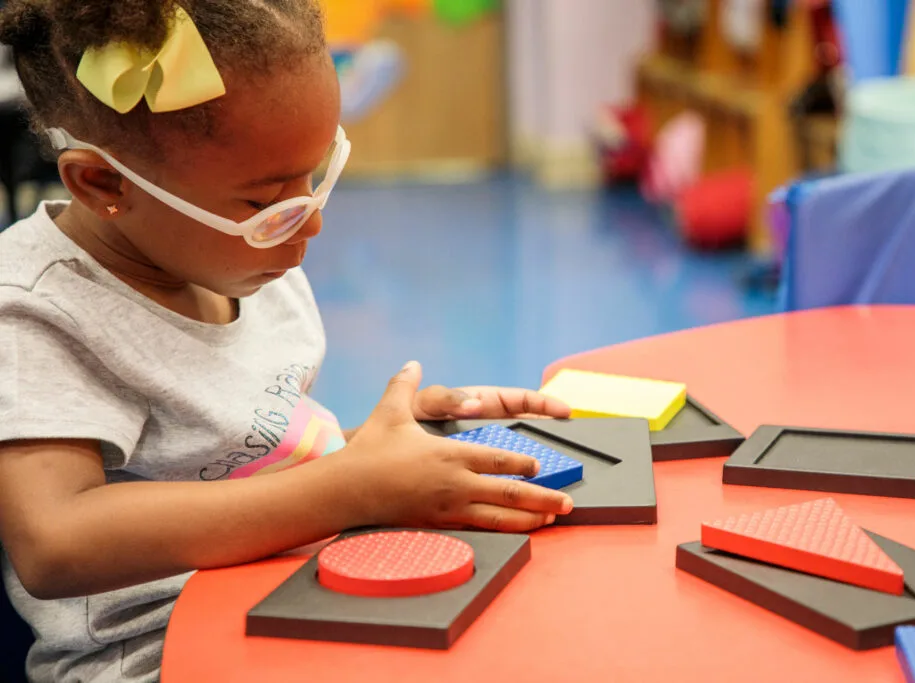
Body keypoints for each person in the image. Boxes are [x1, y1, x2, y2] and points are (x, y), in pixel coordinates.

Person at [0, 2, 574, 681]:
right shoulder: (35, 307)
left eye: (317, 174)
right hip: (164, 653)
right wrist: (352, 486)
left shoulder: (240, 258)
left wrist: (383, 445)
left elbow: (243, 459)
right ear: (104, 183)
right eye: (265, 201)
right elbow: (55, 541)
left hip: (294, 589)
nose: (311, 223)